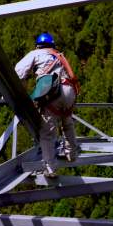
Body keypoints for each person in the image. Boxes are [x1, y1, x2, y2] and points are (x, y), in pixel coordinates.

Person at [15, 32, 81, 176]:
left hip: (52, 92)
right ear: (52, 45)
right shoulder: (59, 55)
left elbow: (19, 72)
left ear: (38, 45)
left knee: (47, 132)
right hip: (69, 90)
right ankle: (71, 154)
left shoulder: (36, 54)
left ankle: (50, 168)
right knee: (67, 122)